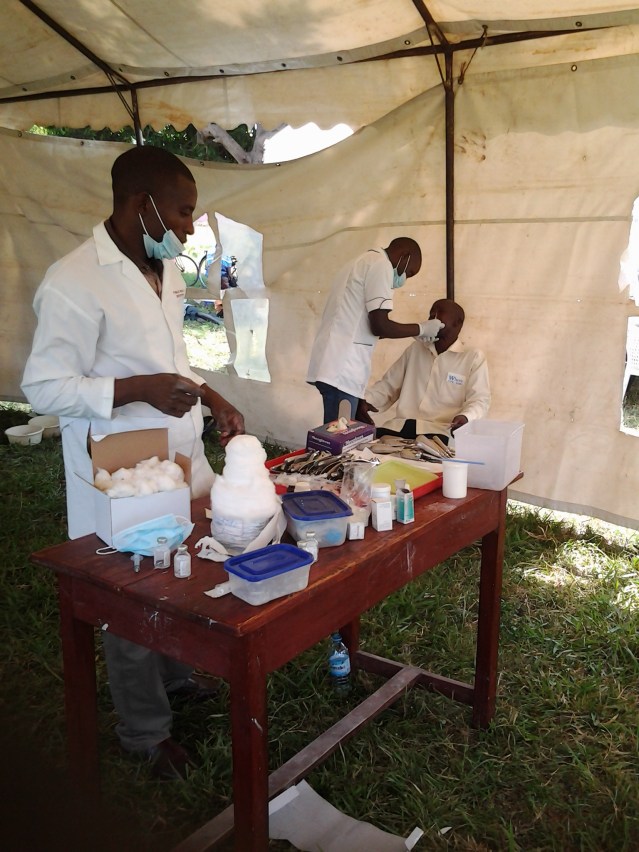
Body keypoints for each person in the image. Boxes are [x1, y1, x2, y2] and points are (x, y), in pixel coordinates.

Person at [21, 145, 245, 780]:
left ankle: (174, 676)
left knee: (176, 570)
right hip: (118, 469)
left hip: (176, 453)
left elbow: (171, 357)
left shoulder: (164, 270)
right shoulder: (73, 280)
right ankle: (144, 732)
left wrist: (208, 393)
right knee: (129, 589)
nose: (188, 228)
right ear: (142, 205)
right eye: (181, 212)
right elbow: (42, 388)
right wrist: (133, 390)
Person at [306, 237, 444, 423]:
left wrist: (359, 395)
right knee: (337, 442)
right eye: (409, 273)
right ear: (405, 256)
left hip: (334, 365)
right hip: (343, 369)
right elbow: (380, 325)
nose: (404, 279)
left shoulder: (358, 262)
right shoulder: (381, 265)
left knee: (338, 435)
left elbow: (360, 325)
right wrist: (421, 329)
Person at [356, 299, 490, 443]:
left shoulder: (472, 357)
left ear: (457, 323)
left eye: (439, 313)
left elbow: (480, 400)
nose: (432, 317)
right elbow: (388, 386)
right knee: (367, 444)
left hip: (440, 432)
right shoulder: (415, 349)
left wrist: (465, 417)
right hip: (401, 428)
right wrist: (366, 401)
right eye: (431, 314)